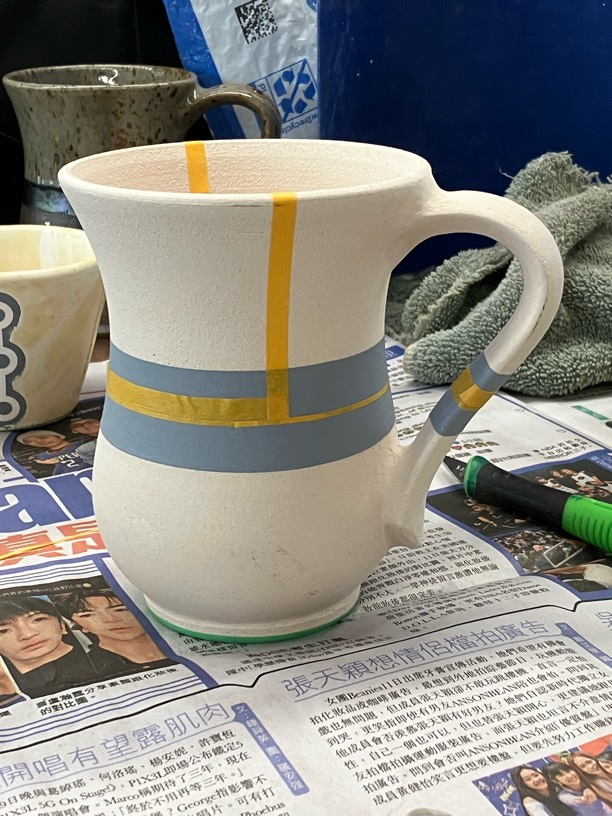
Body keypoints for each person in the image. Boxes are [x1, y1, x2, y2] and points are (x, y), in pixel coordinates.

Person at [53, 589, 175, 676]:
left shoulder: (174, 638)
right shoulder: (86, 668)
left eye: (121, 609)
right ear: (80, 626)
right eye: (87, 615)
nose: (111, 619)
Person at [0, 597, 96, 697]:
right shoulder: (7, 688)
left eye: (38, 619)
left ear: (62, 625)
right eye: (3, 630)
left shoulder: (98, 657)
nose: (27, 635)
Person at [544, 762, 612, 815]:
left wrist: (589, 788)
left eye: (568, 771)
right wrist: (585, 797)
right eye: (561, 775)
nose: (569, 776)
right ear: (555, 781)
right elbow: (574, 800)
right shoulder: (563, 795)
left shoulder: (589, 781)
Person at [16, 430, 90, 475]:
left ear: (58, 436)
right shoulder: (40, 458)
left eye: (43, 437)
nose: (39, 441)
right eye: (29, 441)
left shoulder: (84, 444)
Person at [511, 765, 577, 816]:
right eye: (528, 779)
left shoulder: (555, 784)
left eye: (536, 775)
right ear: (523, 785)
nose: (536, 780)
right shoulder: (530, 801)